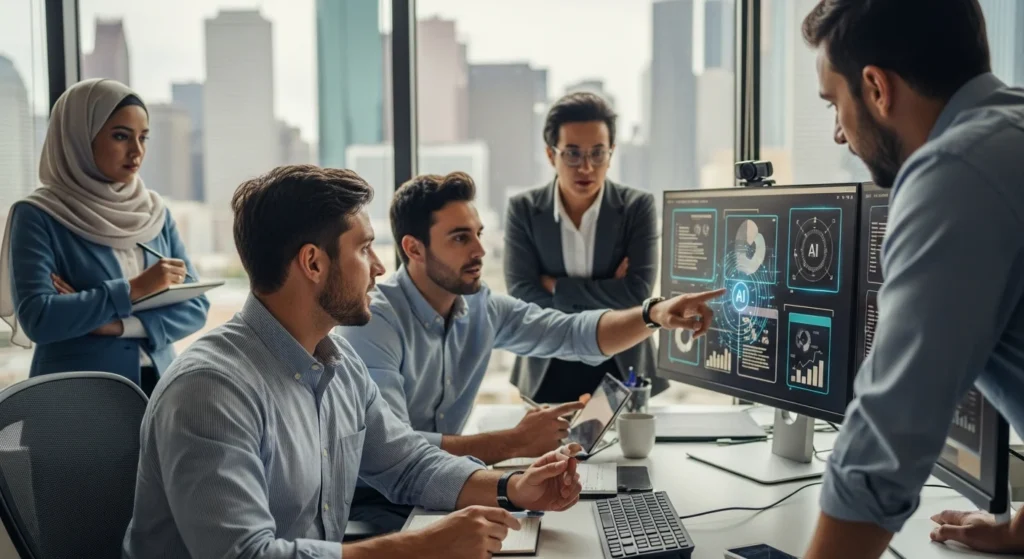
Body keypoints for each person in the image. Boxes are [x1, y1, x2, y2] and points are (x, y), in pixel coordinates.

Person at [122, 165, 585, 559]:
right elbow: (247, 555)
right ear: (313, 263)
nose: (380, 267)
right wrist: (420, 548)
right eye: (364, 249)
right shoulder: (210, 390)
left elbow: (408, 463)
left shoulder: (339, 364)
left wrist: (512, 487)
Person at [339, 171, 723, 531]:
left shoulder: (482, 308)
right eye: (460, 238)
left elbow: (572, 333)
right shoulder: (373, 321)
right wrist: (515, 442)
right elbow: (395, 453)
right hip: (373, 504)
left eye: (478, 234)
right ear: (413, 248)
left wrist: (654, 315)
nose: (480, 250)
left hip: (446, 489)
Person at [799, 1, 1024, 557]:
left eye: (834, 104)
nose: (838, 133)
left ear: (877, 88)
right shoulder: (1008, 134)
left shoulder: (957, 170)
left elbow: (888, 435)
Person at [0, 78, 209, 395]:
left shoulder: (154, 212)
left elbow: (195, 308)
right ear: (80, 138)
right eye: (121, 136)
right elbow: (40, 319)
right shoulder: (38, 215)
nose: (137, 151)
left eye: (143, 137)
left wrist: (115, 325)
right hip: (76, 396)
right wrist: (136, 289)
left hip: (161, 389)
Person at [505, 91, 667, 403]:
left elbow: (636, 294)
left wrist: (558, 288)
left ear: (611, 153)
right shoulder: (523, 209)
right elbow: (523, 295)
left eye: (597, 153)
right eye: (573, 154)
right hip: (547, 362)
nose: (586, 167)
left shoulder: (637, 207)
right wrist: (609, 292)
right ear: (551, 155)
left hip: (622, 360)